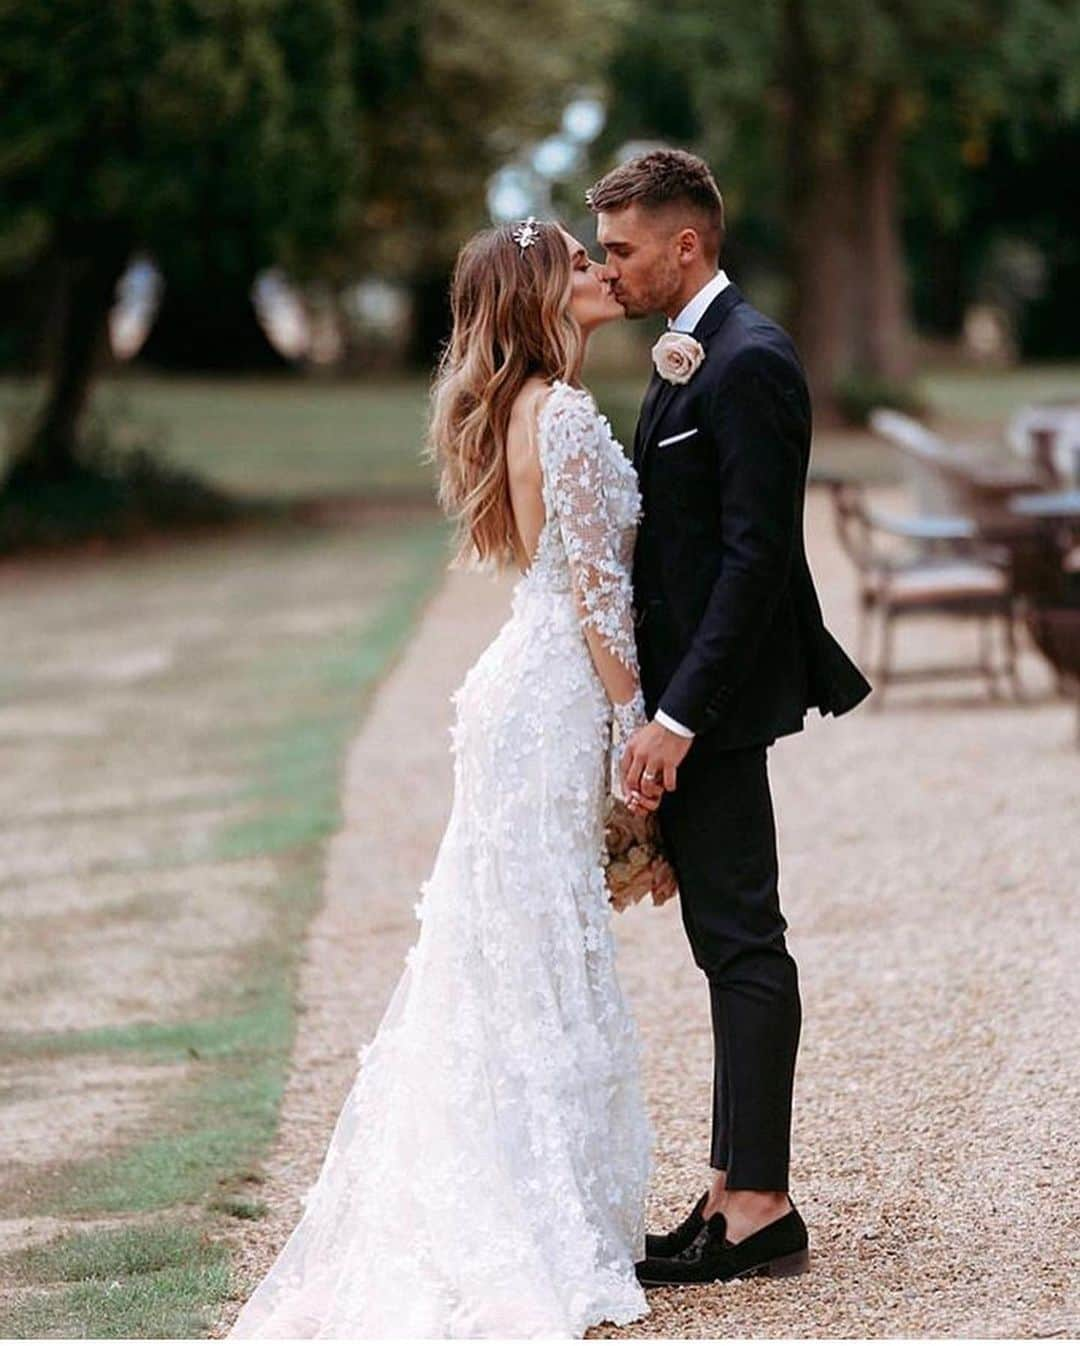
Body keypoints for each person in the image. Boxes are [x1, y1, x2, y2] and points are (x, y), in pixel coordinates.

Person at [227, 217, 669, 1338]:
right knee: (529, 948)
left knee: (510, 943)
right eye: (578, 261)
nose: (600, 270)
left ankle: (523, 1186)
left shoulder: (519, 409)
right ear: (538, 294)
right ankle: (526, 1212)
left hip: (518, 690)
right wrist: (637, 731)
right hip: (557, 691)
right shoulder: (560, 413)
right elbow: (598, 599)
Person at [586, 149, 872, 1286]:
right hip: (687, 702)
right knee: (723, 941)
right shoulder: (691, 351)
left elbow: (757, 562)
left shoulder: (752, 360)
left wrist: (680, 717)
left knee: (746, 940)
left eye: (621, 247)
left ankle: (760, 1204)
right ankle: (725, 1185)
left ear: (686, 244)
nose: (609, 267)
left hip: (719, 708)